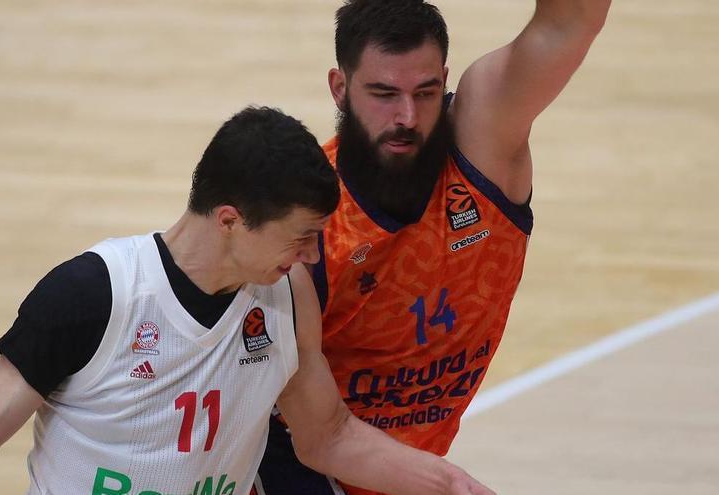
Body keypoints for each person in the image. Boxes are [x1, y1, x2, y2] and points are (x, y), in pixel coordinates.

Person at [0, 107, 493, 495]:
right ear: (230, 220)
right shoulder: (94, 295)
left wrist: (453, 485)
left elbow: (329, 437)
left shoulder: (287, 297)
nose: (313, 258)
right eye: (300, 237)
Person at [256, 1, 611, 494]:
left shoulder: (482, 139)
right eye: (383, 94)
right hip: (290, 467)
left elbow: (570, 21)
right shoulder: (303, 231)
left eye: (425, 93)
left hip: (400, 472)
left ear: (444, 78)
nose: (406, 116)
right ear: (340, 88)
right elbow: (321, 437)